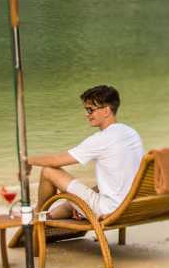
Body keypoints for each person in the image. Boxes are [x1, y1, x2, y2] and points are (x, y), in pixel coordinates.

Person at [28, 85, 143, 220]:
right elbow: (121, 180)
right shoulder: (130, 133)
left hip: (109, 210)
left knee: (48, 171)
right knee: (83, 195)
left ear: (106, 111)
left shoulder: (102, 139)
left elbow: (55, 161)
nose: (87, 114)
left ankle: (37, 215)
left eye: (90, 110)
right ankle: (49, 217)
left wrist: (26, 160)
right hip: (131, 206)